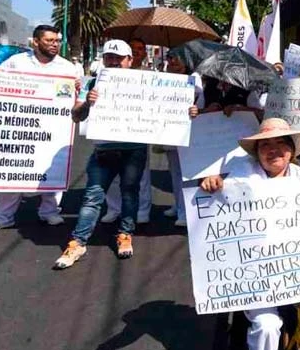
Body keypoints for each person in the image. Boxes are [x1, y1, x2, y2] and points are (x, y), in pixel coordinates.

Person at [199, 118, 300, 350]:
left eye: (281, 143)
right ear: (257, 152)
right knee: (267, 325)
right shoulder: (240, 180)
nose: (274, 150)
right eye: (265, 145)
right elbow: (220, 200)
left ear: (291, 150)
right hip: (257, 281)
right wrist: (213, 183)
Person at [53, 40, 198, 269]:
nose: (113, 61)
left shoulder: (147, 83)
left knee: (130, 194)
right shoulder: (91, 82)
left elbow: (171, 108)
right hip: (103, 151)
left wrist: (189, 111)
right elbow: (76, 116)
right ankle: (78, 242)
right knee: (92, 197)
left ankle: (125, 234)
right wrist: (87, 104)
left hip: (134, 151)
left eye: (118, 58)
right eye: (109, 57)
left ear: (130, 60)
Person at [0, 25, 77, 234]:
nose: (54, 44)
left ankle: (49, 212)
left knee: (52, 170)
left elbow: (75, 96)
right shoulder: (17, 62)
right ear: (35, 42)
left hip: (53, 128)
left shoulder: (68, 68)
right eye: (49, 40)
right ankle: (2, 217)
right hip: (21, 126)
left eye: (57, 41)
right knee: (14, 170)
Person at [101, 38, 154, 224]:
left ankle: (142, 211)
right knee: (113, 175)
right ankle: (114, 208)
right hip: (109, 131)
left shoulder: (150, 76)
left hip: (137, 132)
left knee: (140, 176)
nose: (138, 52)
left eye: (141, 49)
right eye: (110, 57)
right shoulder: (101, 77)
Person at [159, 53, 205, 227]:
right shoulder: (164, 78)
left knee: (187, 174)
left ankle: (186, 212)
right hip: (170, 131)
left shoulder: (194, 79)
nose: (173, 62)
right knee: (174, 172)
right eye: (170, 58)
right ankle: (178, 205)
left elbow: (199, 100)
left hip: (189, 132)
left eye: (178, 59)